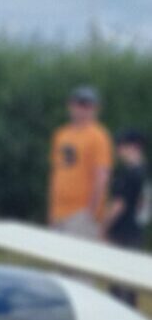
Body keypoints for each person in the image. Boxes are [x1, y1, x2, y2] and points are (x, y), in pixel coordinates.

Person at [48, 84, 112, 240]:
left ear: (95, 109)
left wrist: (91, 212)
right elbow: (56, 173)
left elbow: (101, 176)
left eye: (88, 106)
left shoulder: (98, 136)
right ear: (71, 105)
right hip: (59, 211)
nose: (83, 110)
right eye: (80, 104)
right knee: (56, 260)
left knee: (75, 259)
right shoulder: (61, 134)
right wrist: (51, 210)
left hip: (80, 212)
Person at [105, 129, 146, 307]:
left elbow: (119, 205)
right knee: (129, 282)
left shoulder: (130, 174)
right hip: (136, 231)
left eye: (122, 145)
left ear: (135, 147)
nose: (118, 149)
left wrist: (103, 226)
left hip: (122, 232)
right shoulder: (146, 173)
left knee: (118, 283)